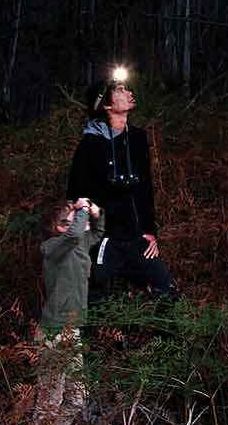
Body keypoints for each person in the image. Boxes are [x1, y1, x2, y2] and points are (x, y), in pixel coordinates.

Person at [66, 75, 177, 300]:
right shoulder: (90, 145)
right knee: (96, 297)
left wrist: (149, 231)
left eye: (127, 89)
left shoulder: (137, 138)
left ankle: (162, 335)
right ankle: (100, 334)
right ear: (107, 105)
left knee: (166, 289)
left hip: (136, 236)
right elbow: (77, 194)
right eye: (120, 90)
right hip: (104, 238)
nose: (129, 93)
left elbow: (145, 188)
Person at [31, 196, 101, 425]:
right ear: (59, 227)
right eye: (70, 219)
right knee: (49, 401)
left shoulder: (76, 245)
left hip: (72, 331)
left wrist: (96, 212)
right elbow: (74, 235)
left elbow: (96, 232)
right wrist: (83, 209)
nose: (77, 221)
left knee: (77, 398)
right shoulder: (54, 247)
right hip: (54, 333)